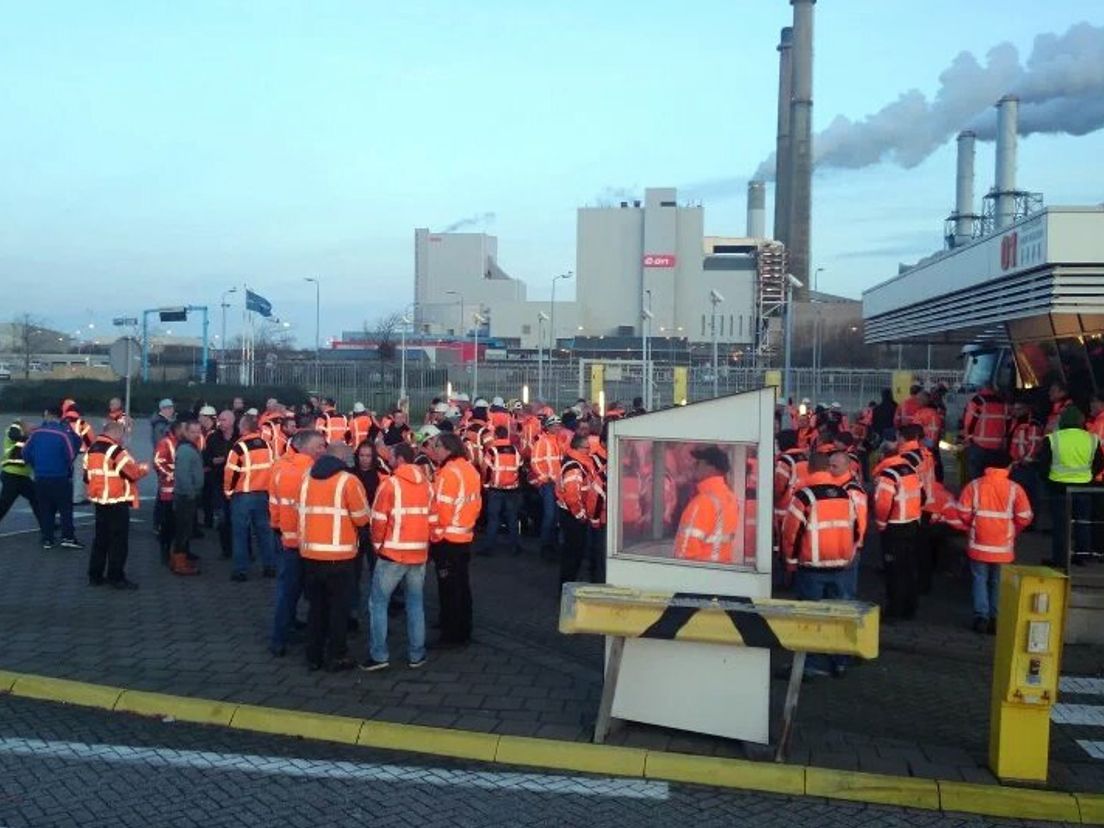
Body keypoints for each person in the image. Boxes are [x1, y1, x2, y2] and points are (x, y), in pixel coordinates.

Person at [781, 451, 861, 677]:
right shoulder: (844, 495)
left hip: (812, 567)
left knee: (810, 617)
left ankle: (813, 664)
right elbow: (855, 529)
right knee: (839, 614)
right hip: (841, 566)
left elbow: (790, 533)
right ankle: (840, 660)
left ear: (809, 469)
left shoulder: (804, 496)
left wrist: (790, 562)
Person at [297, 441, 369, 671]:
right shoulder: (348, 481)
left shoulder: (307, 478)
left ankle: (313, 656)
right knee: (339, 609)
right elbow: (362, 518)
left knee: (316, 608)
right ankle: (337, 655)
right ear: (345, 460)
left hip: (310, 554)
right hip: (339, 557)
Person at [362, 443, 433, 671]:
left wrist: (376, 546)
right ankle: (416, 654)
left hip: (392, 553)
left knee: (378, 604)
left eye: (390, 456)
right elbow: (432, 518)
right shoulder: (427, 485)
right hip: (419, 553)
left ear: (399, 459)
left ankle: (379, 655)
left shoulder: (390, 485)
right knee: (415, 603)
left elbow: (378, 521)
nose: (388, 459)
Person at [957, 460, 1034, 633]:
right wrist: (1013, 530)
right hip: (1003, 547)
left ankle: (980, 617)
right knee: (998, 582)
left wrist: (973, 525)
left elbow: (962, 511)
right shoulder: (1015, 488)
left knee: (979, 579)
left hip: (978, 544)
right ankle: (996, 619)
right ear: (1008, 467)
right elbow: (1025, 517)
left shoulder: (974, 486)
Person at [269, 429, 326, 657]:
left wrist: (278, 528)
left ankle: (284, 632)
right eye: (320, 446)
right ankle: (282, 638)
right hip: (306, 543)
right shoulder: (313, 472)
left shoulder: (280, 467)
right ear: (308, 449)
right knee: (305, 592)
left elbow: (273, 503)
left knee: (287, 591)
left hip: (285, 539)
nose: (323, 450)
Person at [428, 432, 482, 648]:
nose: (434, 451)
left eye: (437, 446)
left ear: (448, 448)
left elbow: (440, 509)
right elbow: (476, 504)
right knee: (462, 586)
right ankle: (463, 628)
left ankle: (451, 634)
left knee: (449, 588)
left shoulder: (448, 473)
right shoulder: (469, 469)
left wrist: (435, 535)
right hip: (464, 534)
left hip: (447, 537)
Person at [86, 420, 149, 589]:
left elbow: (86, 476)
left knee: (100, 540)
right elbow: (133, 473)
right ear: (116, 433)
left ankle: (95, 575)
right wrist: (144, 468)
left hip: (100, 501)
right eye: (122, 434)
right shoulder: (116, 451)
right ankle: (116, 577)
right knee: (118, 542)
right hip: (116, 501)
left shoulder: (91, 450)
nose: (122, 438)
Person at [1038, 406, 1102, 568]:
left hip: (1059, 487)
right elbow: (1100, 462)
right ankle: (1082, 556)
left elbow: (1043, 464)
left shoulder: (1053, 439)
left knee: (1061, 526)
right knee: (1082, 522)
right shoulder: (1092, 439)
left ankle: (1060, 559)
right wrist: (1089, 475)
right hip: (1084, 487)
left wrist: (1048, 481)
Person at [873, 440, 924, 620]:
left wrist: (880, 524)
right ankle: (911, 607)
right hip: (912, 524)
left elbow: (882, 505)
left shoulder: (888, 475)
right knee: (909, 568)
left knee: (894, 571)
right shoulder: (911, 470)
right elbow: (922, 495)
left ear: (882, 455)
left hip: (894, 527)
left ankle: (895, 609)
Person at [224, 413, 276, 581]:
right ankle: (269, 566)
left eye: (240, 425)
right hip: (263, 494)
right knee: (265, 533)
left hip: (243, 496)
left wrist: (228, 492)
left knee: (240, 534)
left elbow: (230, 473)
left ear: (245, 428)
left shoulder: (239, 447)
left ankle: (241, 570)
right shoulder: (267, 445)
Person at [22, 404, 82, 550]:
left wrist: (36, 465)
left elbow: (25, 453)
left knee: (45, 509)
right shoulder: (63, 433)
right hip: (60, 477)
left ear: (47, 414)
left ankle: (47, 539)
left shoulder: (36, 433)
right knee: (65, 509)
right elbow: (71, 453)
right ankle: (67, 537)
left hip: (41, 477)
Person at [673, 446, 741, 563]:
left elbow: (684, 555)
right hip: (721, 573)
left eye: (698, 463)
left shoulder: (702, 503)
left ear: (711, 468)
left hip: (699, 577)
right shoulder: (731, 498)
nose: (694, 466)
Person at [557, 434, 596, 584]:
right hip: (572, 515)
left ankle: (568, 583)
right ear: (579, 448)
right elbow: (572, 496)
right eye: (587, 448)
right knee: (573, 554)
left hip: (571, 513)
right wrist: (581, 515)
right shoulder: (575, 467)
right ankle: (567, 586)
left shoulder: (576, 463)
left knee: (572, 552)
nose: (589, 451)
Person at [480, 425, 522, 556]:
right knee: (512, 518)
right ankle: (514, 546)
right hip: (512, 489)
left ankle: (488, 547)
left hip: (495, 489)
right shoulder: (515, 450)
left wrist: (486, 485)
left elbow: (485, 469)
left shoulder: (492, 451)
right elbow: (519, 467)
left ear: (496, 436)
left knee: (493, 519)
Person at [169, 420, 203, 575]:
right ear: (187, 432)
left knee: (184, 529)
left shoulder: (189, 448)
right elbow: (182, 475)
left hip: (187, 495)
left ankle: (178, 559)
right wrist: (191, 492)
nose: (197, 434)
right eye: (193, 432)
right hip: (185, 496)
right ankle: (179, 564)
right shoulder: (185, 450)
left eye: (198, 431)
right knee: (183, 530)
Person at [204, 410, 236, 559]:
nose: (220, 423)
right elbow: (205, 457)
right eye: (220, 420)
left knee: (239, 519)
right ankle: (226, 550)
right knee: (223, 518)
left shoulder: (239, 437)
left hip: (237, 484)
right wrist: (212, 461)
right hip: (219, 481)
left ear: (231, 421)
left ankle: (245, 550)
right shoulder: (213, 438)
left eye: (223, 420)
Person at [530, 415, 564, 559]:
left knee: (556, 516)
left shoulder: (559, 442)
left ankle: (552, 545)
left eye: (558, 425)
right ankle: (545, 546)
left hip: (558, 484)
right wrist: (545, 478)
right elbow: (535, 462)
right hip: (549, 484)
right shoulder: (542, 442)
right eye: (554, 425)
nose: (557, 427)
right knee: (550, 516)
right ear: (548, 427)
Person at [962, 385, 1010, 482]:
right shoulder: (1003, 402)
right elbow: (1008, 423)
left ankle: (978, 496)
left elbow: (968, 422)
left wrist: (968, 438)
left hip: (979, 445)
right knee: (994, 479)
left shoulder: (977, 401)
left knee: (976, 479)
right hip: (997, 447)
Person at [153, 420, 181, 565]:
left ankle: (179, 552)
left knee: (178, 524)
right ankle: (165, 551)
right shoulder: (166, 442)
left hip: (180, 490)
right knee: (167, 523)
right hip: (168, 491)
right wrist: (171, 474)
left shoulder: (181, 442)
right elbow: (157, 462)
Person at [0, 420, 37, 527]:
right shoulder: (14, 430)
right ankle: (47, 524)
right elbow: (14, 434)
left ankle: (47, 525)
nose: (30, 428)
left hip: (20, 476)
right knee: (4, 504)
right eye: (28, 426)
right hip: (12, 474)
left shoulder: (26, 438)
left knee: (36, 499)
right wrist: (29, 435)